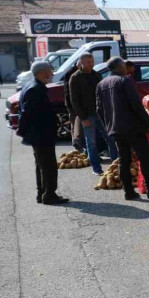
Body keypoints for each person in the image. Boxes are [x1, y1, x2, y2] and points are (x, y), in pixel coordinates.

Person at [96, 57, 149, 200]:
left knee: (124, 160)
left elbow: (99, 109)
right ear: (119, 66)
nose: (126, 67)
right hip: (132, 127)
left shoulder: (101, 84)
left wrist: (108, 125)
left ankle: (128, 191)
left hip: (116, 128)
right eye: (123, 64)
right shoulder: (124, 81)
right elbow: (136, 105)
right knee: (145, 157)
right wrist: (148, 124)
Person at [16, 61, 69, 205]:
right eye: (50, 71)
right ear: (41, 73)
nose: (52, 74)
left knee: (41, 165)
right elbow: (27, 113)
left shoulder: (34, 86)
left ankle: (42, 193)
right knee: (48, 166)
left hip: (39, 134)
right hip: (41, 135)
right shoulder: (35, 89)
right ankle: (49, 195)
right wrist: (23, 130)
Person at [70, 52, 118, 175]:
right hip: (87, 115)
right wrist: (83, 118)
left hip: (101, 114)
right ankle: (96, 169)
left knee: (111, 139)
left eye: (92, 62)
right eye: (88, 62)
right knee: (91, 143)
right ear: (81, 63)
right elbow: (74, 100)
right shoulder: (75, 78)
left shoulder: (96, 75)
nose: (91, 64)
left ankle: (116, 166)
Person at [63, 66, 85, 153]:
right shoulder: (72, 75)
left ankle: (77, 144)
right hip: (74, 107)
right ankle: (77, 145)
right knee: (77, 127)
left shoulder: (71, 74)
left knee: (75, 126)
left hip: (73, 106)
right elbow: (69, 94)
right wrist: (72, 107)